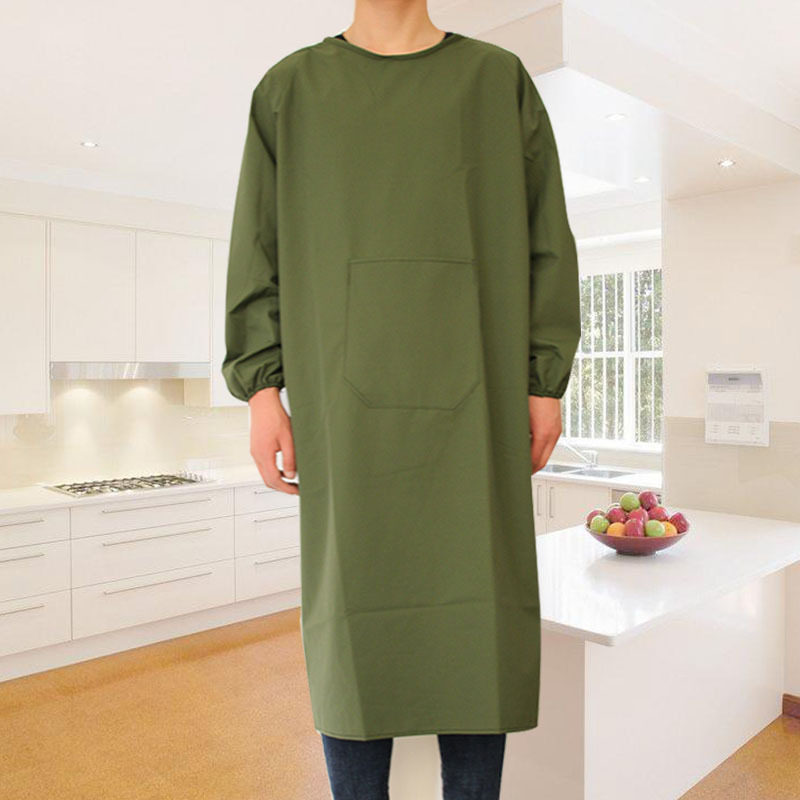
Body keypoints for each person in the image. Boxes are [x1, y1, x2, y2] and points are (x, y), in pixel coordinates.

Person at [222, 1, 581, 797]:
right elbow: (257, 250)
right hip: (343, 419)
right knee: (353, 624)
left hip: (479, 406)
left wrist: (543, 380)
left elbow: (546, 240)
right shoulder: (290, 91)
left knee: (477, 622)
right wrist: (261, 390)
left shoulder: (495, 82)